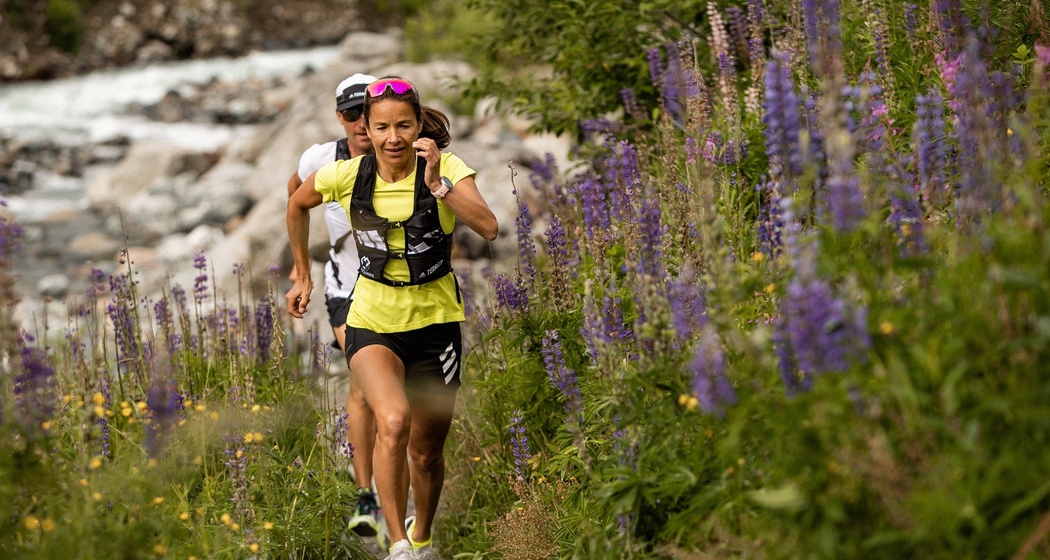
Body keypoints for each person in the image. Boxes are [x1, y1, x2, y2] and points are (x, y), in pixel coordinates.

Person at [286, 76, 498, 560]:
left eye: (404, 125)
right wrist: (302, 273)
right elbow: (297, 202)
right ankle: (398, 548)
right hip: (372, 321)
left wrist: (438, 186)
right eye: (381, 127)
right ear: (366, 127)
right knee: (393, 419)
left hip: (435, 325)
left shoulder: (449, 169)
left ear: (419, 124)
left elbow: (488, 226)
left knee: (426, 453)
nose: (393, 138)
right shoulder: (347, 174)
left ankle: (421, 536)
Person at [286, 72, 382, 539]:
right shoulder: (319, 158)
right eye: (351, 114)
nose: (362, 124)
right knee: (365, 385)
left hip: (403, 292)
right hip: (346, 286)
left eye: (368, 112)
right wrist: (301, 267)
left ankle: (401, 482)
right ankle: (367, 494)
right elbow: (296, 197)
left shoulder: (403, 150)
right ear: (339, 116)